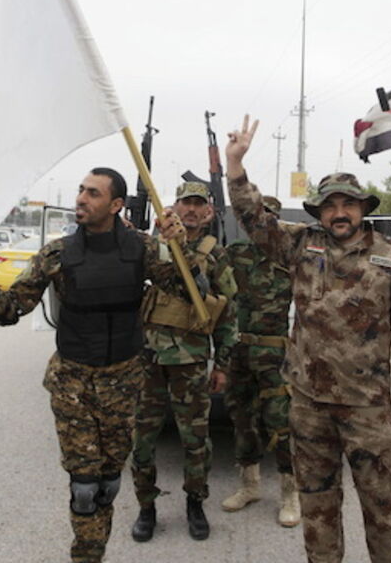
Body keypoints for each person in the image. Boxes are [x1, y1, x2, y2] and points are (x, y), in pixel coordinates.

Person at [224, 116, 391, 563]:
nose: (339, 213)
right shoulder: (301, 246)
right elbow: (254, 216)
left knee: (383, 510)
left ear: (363, 208)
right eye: (330, 206)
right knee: (319, 509)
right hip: (309, 406)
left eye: (348, 204)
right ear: (319, 212)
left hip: (368, 407)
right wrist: (235, 165)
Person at [0, 167, 183, 563]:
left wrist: (179, 247)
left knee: (108, 484)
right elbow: (11, 310)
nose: (81, 198)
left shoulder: (142, 249)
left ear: (115, 205)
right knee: (83, 487)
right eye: (81, 190)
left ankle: (96, 548)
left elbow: (187, 290)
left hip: (124, 382)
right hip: (72, 384)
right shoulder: (57, 254)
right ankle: (87, 556)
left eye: (93, 193)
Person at [129, 180, 238, 543]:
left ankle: (195, 502)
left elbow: (226, 310)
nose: (190, 210)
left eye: (198, 204)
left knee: (196, 440)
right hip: (148, 356)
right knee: (143, 438)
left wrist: (221, 364)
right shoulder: (153, 245)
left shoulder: (215, 253)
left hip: (190, 359)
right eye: (184, 203)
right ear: (173, 207)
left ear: (208, 213)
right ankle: (146, 506)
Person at [221, 194, 301, 527]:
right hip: (239, 352)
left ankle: (290, 494)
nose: (260, 224)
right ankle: (250, 486)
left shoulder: (292, 260)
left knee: (282, 424)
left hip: (275, 354)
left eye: (268, 217)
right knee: (242, 419)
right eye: (255, 218)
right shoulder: (234, 254)